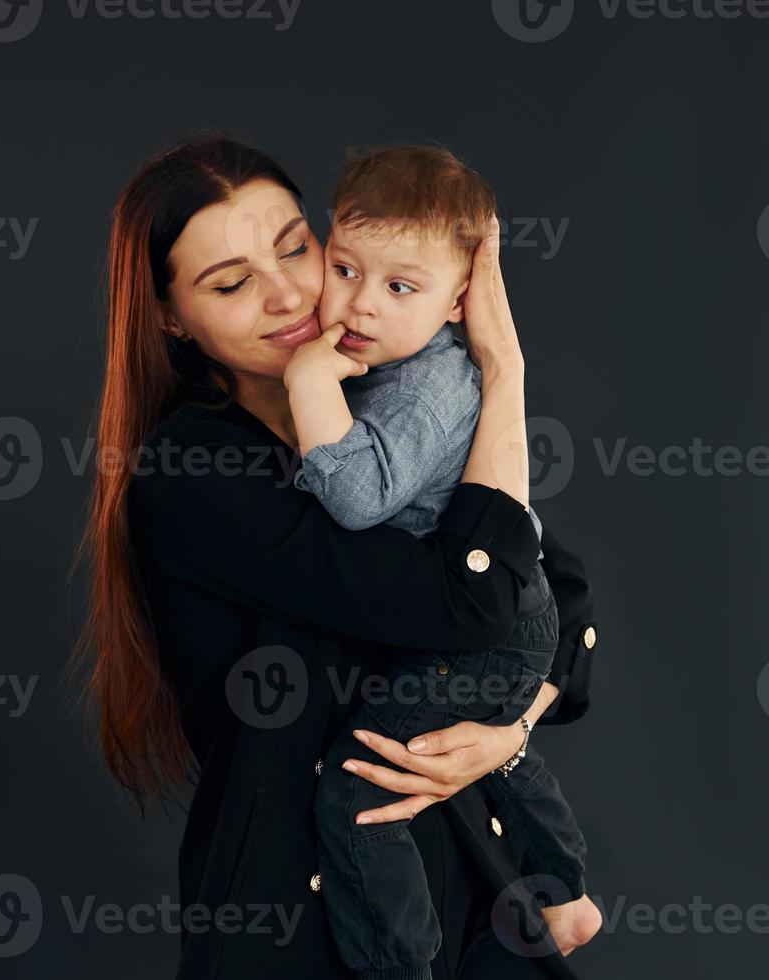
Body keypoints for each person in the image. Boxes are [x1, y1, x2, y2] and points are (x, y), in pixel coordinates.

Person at [74, 132, 603, 979]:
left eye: (296, 248)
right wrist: (503, 374)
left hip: (476, 890)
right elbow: (473, 600)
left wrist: (506, 728)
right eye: (231, 282)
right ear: (172, 315)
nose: (287, 295)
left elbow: (557, 588)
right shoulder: (193, 474)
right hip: (306, 929)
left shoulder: (384, 395)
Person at [287, 145, 588, 980]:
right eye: (344, 267)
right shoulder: (403, 366)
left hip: (490, 629)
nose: (360, 304)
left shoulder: (429, 388)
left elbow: (354, 498)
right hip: (506, 617)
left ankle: (400, 965)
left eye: (400, 287)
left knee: (362, 787)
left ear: (461, 301)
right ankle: (564, 887)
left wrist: (310, 377)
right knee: (478, 746)